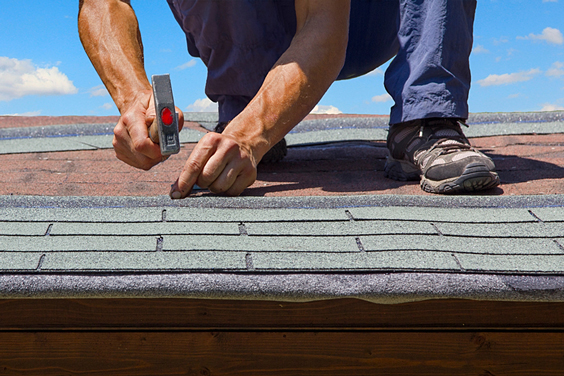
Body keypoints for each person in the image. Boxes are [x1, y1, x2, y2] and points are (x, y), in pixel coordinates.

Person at [78, 0, 499, 198]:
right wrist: (132, 96)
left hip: (371, 17)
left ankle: (425, 117)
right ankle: (247, 100)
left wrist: (249, 135)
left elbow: (324, 23)